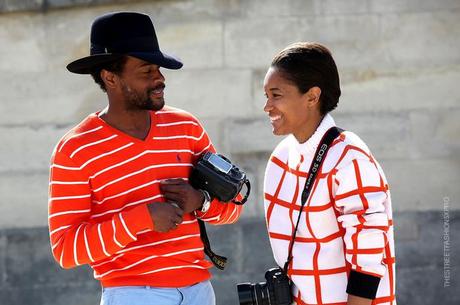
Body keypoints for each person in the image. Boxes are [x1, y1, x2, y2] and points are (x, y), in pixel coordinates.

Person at [48, 12, 242, 305]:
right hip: (132, 295)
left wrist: (199, 201)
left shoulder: (186, 127)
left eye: (159, 69)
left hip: (201, 291)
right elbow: (66, 250)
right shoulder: (75, 150)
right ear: (110, 77)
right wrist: (143, 219)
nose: (160, 78)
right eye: (146, 70)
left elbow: (233, 208)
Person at [262, 42, 395, 305]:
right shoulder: (280, 158)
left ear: (312, 96)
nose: (267, 107)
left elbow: (367, 255)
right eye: (266, 95)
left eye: (276, 95)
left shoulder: (349, 157)